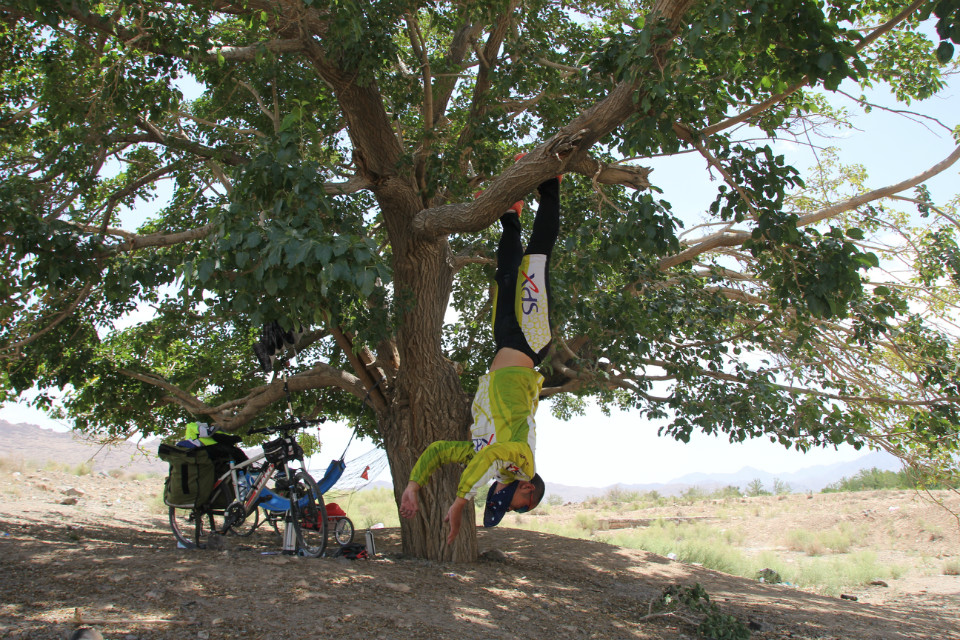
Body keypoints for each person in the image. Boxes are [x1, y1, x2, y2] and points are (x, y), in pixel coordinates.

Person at [400, 157, 561, 544]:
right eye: (519, 503)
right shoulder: (522, 460)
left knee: (506, 273)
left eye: (509, 507)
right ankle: (551, 184)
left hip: (503, 342)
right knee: (536, 257)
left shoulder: (483, 453)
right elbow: (491, 459)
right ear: (528, 489)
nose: (510, 501)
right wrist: (460, 501)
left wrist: (414, 485)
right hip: (529, 341)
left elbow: (440, 450)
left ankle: (511, 213)